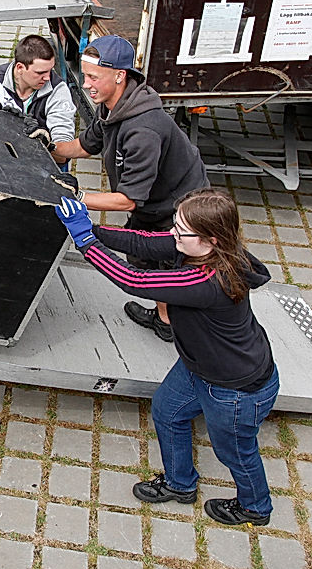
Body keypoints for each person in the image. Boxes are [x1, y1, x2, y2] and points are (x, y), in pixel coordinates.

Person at [54, 187, 279, 526]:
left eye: (180, 230)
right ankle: (180, 484)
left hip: (235, 388)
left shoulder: (207, 280)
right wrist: (91, 228)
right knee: (167, 411)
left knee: (234, 451)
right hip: (199, 367)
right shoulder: (196, 249)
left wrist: (86, 242)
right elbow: (144, 243)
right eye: (175, 224)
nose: (173, 233)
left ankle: (255, 507)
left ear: (212, 239)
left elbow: (134, 280)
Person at [51, 34, 208, 342]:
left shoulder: (143, 130)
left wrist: (76, 199)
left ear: (120, 76)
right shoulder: (112, 105)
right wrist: (48, 146)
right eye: (85, 76)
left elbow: (127, 201)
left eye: (94, 77)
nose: (86, 84)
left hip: (177, 206)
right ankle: (166, 313)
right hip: (149, 199)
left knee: (165, 267)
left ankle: (167, 323)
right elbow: (85, 146)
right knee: (144, 256)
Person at [0, 34, 75, 165]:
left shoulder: (57, 90)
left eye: (50, 70)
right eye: (40, 73)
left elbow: (63, 156)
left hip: (39, 165)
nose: (48, 78)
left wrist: (45, 144)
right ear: (20, 67)